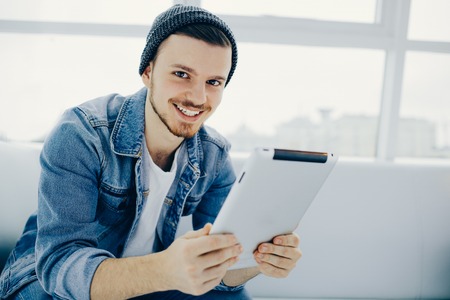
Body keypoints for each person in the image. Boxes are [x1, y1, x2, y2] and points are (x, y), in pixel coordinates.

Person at [0, 4, 302, 299]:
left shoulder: (214, 155)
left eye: (213, 82)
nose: (198, 97)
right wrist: (164, 270)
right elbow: (60, 267)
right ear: (148, 72)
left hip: (151, 283)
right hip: (45, 282)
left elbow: (224, 275)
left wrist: (258, 260)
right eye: (182, 74)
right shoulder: (81, 133)